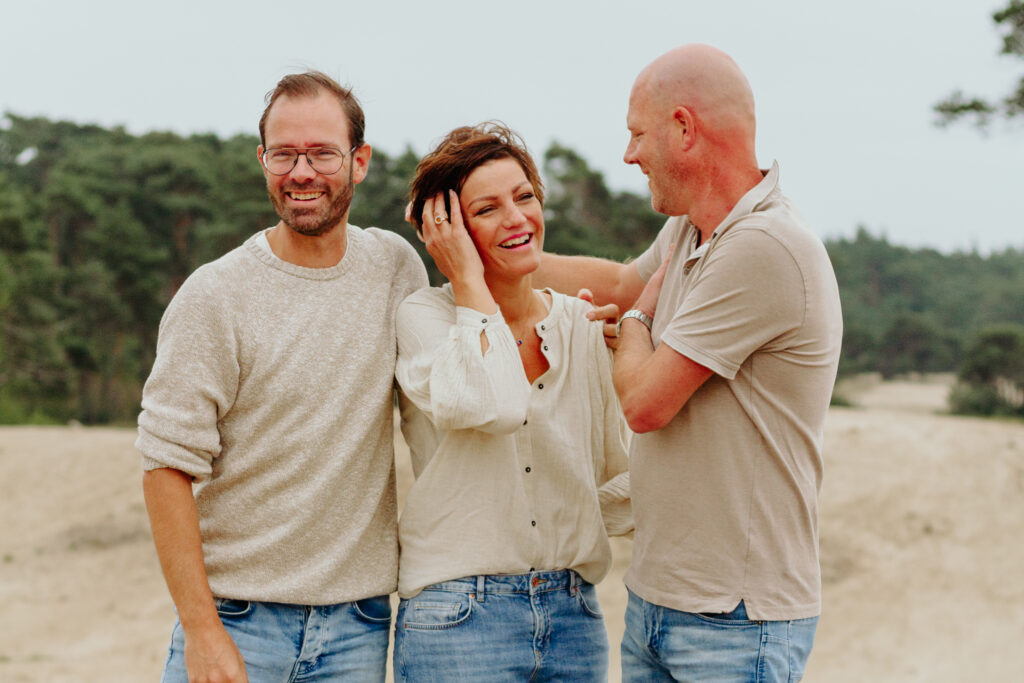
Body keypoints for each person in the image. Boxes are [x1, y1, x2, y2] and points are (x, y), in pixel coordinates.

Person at [533, 44, 843, 682]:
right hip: (659, 600)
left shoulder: (763, 245)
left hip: (736, 620)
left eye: (637, 134)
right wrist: (492, 257)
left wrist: (640, 326)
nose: (628, 155)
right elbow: (623, 285)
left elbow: (645, 404)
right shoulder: (694, 229)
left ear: (683, 128)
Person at [137, 71, 428, 683]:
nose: (301, 172)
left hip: (360, 628)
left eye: (322, 152)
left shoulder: (396, 269)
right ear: (262, 159)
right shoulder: (215, 295)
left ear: (360, 161)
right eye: (284, 153)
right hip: (238, 624)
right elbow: (165, 469)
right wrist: (201, 631)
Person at [392, 122, 632, 681]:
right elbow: (495, 406)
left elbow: (618, 484)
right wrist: (468, 279)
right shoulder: (425, 318)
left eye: (524, 197)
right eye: (488, 209)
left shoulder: (583, 323)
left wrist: (631, 360)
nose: (517, 218)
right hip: (457, 618)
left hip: (574, 616)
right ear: (445, 228)